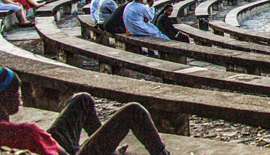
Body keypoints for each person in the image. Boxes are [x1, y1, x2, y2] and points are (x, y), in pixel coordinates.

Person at [0, 68, 170, 155]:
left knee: (83, 100)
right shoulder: (27, 133)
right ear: (5, 95)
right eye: (16, 93)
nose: (20, 98)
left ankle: (108, 151)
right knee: (134, 111)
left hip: (48, 149)